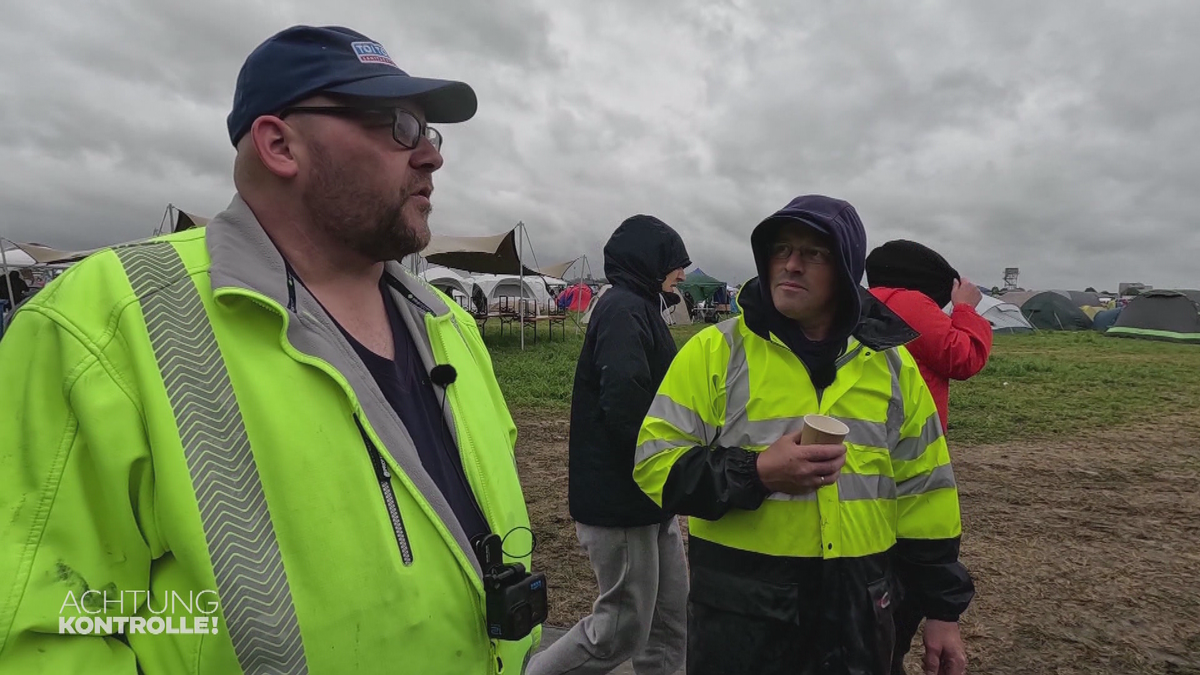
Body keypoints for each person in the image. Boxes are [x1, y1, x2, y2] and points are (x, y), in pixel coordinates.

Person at [0, 25, 541, 674]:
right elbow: (45, 635)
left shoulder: (448, 323)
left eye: (431, 132)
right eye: (399, 125)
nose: (429, 156)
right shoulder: (103, 323)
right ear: (280, 144)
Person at [632, 195, 974, 675]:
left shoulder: (892, 367)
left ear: (846, 269)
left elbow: (927, 494)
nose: (791, 264)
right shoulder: (716, 351)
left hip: (859, 614)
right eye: (781, 250)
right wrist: (756, 472)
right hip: (741, 618)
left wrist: (942, 612)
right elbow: (653, 465)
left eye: (814, 253)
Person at [529, 215, 691, 675]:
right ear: (649, 261)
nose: (681, 272)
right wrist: (671, 462)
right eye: (675, 262)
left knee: (667, 619)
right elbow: (625, 403)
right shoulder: (623, 309)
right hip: (620, 496)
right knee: (620, 627)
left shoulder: (642, 306)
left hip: (650, 497)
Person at [865, 239, 993, 433]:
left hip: (870, 426)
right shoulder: (910, 305)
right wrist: (965, 308)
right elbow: (964, 358)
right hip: (913, 432)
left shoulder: (864, 302)